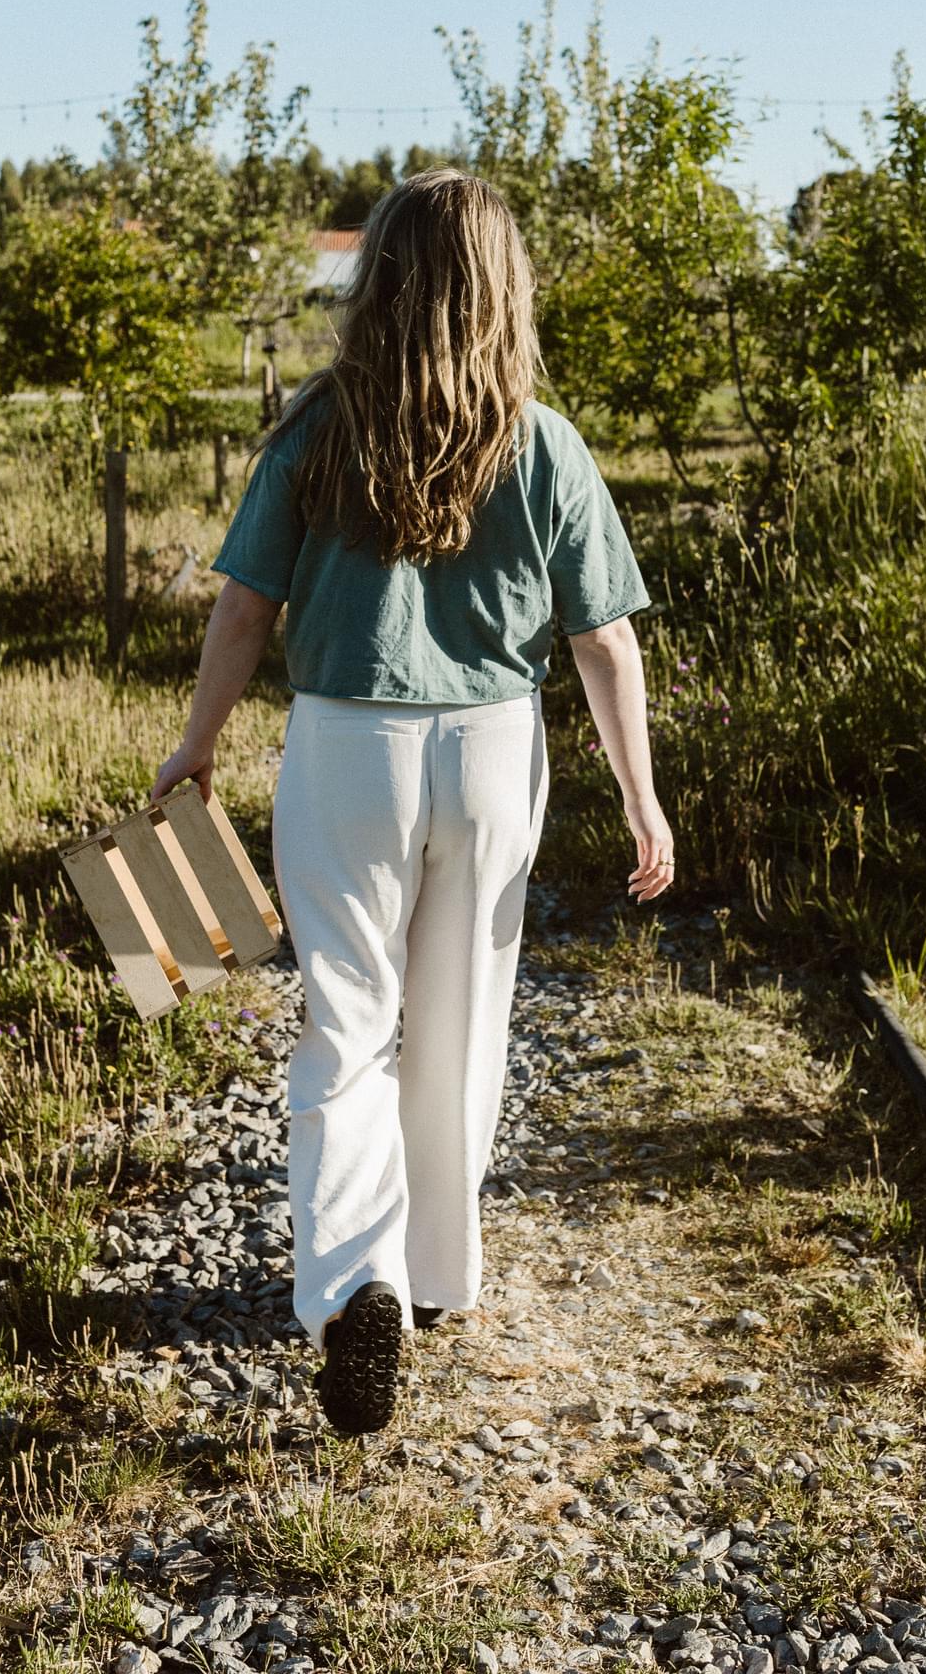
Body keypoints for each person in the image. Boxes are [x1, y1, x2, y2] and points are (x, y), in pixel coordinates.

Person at [150, 168, 674, 1435]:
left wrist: (196, 744)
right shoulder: (542, 440)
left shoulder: (316, 426)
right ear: (505, 285)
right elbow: (603, 643)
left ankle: (351, 1285)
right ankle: (437, 1274)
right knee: (463, 1019)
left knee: (347, 1023)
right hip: (494, 750)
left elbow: (241, 608)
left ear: (376, 280)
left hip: (347, 746)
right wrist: (642, 798)